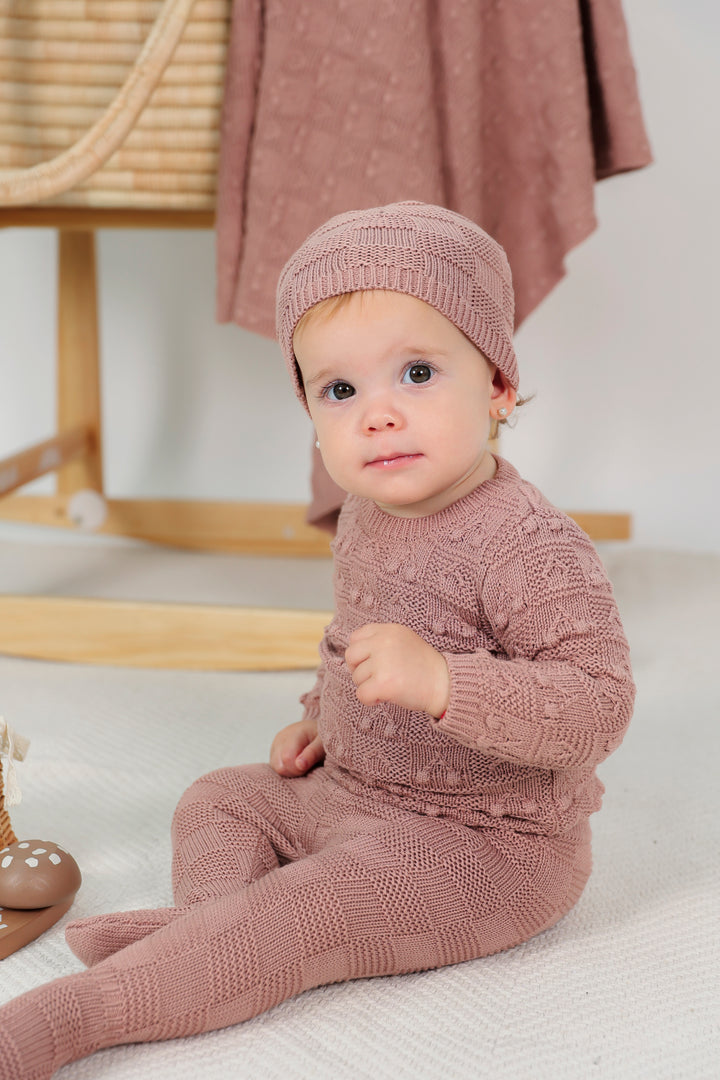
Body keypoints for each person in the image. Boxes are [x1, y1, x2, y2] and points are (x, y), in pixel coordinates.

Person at [0, 202, 635, 1079]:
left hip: (484, 843)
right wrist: (319, 717)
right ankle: (207, 942)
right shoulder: (368, 514)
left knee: (297, 915)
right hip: (352, 789)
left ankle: (69, 1019)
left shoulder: (530, 545)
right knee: (216, 801)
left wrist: (446, 683)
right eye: (341, 391)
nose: (378, 415)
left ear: (496, 386)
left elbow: (599, 703)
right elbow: (348, 642)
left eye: (417, 372)